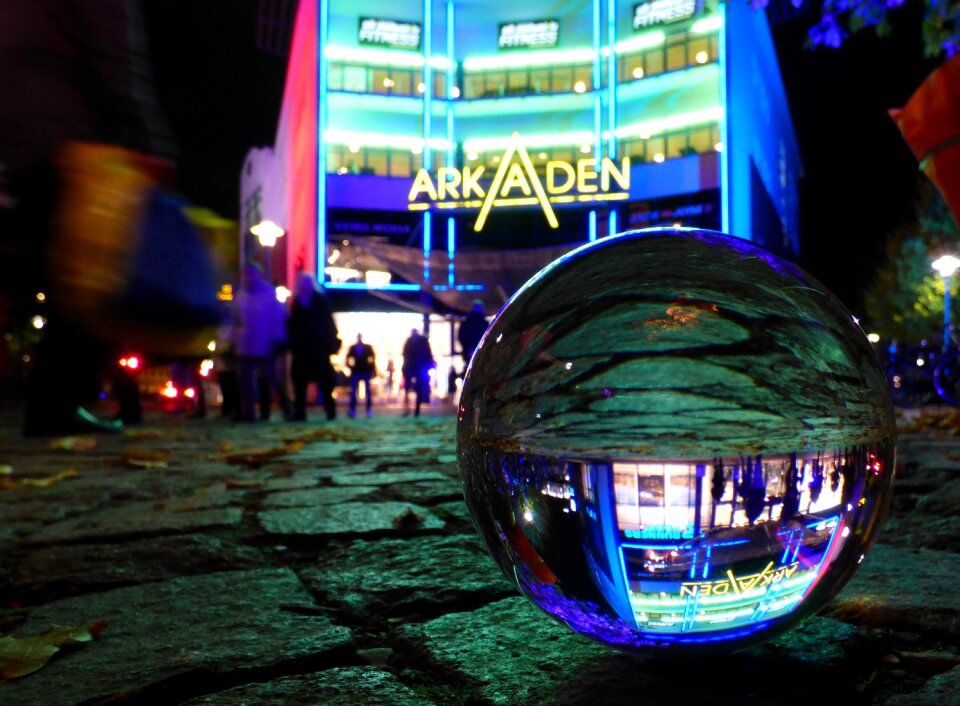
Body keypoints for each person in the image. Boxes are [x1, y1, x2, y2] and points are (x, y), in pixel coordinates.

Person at [1, 0, 178, 436]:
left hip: (22, 132)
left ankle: (51, 403)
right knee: (94, 273)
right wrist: (146, 138)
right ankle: (54, 404)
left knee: (45, 263)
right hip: (75, 136)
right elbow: (116, 51)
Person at [232, 262, 288, 421]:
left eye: (250, 274)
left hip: (264, 344)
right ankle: (248, 412)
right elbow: (237, 320)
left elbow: (277, 319)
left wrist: (276, 340)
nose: (248, 277)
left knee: (273, 378)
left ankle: (287, 408)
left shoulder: (268, 294)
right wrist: (235, 339)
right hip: (246, 344)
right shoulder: (242, 295)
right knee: (245, 381)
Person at [287, 272, 339, 421]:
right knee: (299, 383)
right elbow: (293, 326)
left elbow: (329, 325)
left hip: (319, 349)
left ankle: (330, 411)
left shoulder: (320, 302)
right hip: (302, 350)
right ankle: (300, 412)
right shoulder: (297, 303)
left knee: (325, 383)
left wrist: (330, 342)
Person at [402, 328, 435, 417]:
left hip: (418, 368)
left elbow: (428, 354)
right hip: (414, 368)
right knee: (412, 389)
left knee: (417, 389)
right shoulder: (412, 341)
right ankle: (410, 410)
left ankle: (414, 410)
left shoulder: (416, 342)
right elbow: (405, 355)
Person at [345, 333, 376, 418]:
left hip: (364, 371)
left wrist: (371, 368)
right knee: (354, 392)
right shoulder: (353, 347)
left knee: (367, 392)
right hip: (357, 371)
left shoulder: (367, 347)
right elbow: (347, 359)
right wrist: (351, 367)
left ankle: (367, 410)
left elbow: (373, 358)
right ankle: (353, 410)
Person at [457, 299, 488, 372]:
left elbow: (461, 337)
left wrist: (468, 348)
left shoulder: (466, 323)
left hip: (469, 352)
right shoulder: (484, 323)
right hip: (481, 353)